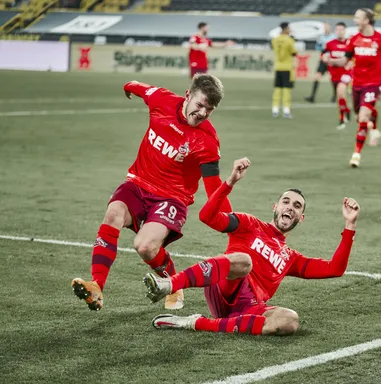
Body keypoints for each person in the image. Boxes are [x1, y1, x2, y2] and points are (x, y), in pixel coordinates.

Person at [145, 158, 360, 336]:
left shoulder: (291, 258)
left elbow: (335, 269)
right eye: (286, 202)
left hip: (248, 309)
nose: (290, 208)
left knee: (290, 321)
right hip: (224, 285)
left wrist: (350, 225)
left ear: (300, 218)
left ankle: (195, 323)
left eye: (296, 206)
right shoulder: (250, 224)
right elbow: (207, 217)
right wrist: (230, 182)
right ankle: (169, 285)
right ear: (275, 207)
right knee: (244, 261)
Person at [72, 75, 232, 311]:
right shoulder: (162, 100)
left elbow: (213, 186)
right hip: (138, 183)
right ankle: (97, 285)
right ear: (187, 95)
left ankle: (173, 284)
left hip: (172, 197)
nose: (202, 113)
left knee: (145, 247)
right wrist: (128, 86)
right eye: (199, 105)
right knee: (113, 213)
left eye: (209, 110)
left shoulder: (207, 141)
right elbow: (140, 87)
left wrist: (230, 222)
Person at [327, 8, 381, 167]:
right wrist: (331, 61)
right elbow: (345, 60)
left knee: (364, 116)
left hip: (374, 83)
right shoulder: (354, 40)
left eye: (357, 17)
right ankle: (374, 128)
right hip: (357, 83)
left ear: (366, 20)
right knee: (360, 114)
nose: (355, 20)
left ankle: (356, 154)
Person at [321, 22, 352, 130]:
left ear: (345, 31)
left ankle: (341, 119)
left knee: (341, 92)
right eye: (338, 29)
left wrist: (351, 63)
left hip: (346, 73)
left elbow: (353, 58)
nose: (340, 32)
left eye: (342, 29)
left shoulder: (350, 44)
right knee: (340, 97)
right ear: (335, 31)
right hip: (334, 74)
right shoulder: (330, 44)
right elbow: (324, 55)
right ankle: (347, 110)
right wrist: (325, 59)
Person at [305, 22, 337, 104]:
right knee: (316, 77)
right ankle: (312, 96)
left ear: (330, 28)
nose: (326, 28)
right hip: (323, 60)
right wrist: (321, 47)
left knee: (334, 79)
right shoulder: (321, 37)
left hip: (332, 61)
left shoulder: (334, 37)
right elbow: (318, 47)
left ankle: (335, 96)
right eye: (325, 27)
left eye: (328, 27)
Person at [272, 22, 297, 119]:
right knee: (287, 90)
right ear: (286, 29)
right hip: (287, 67)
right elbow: (294, 52)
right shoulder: (289, 40)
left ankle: (275, 110)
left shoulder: (275, 39)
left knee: (277, 89)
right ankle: (286, 111)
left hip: (278, 66)